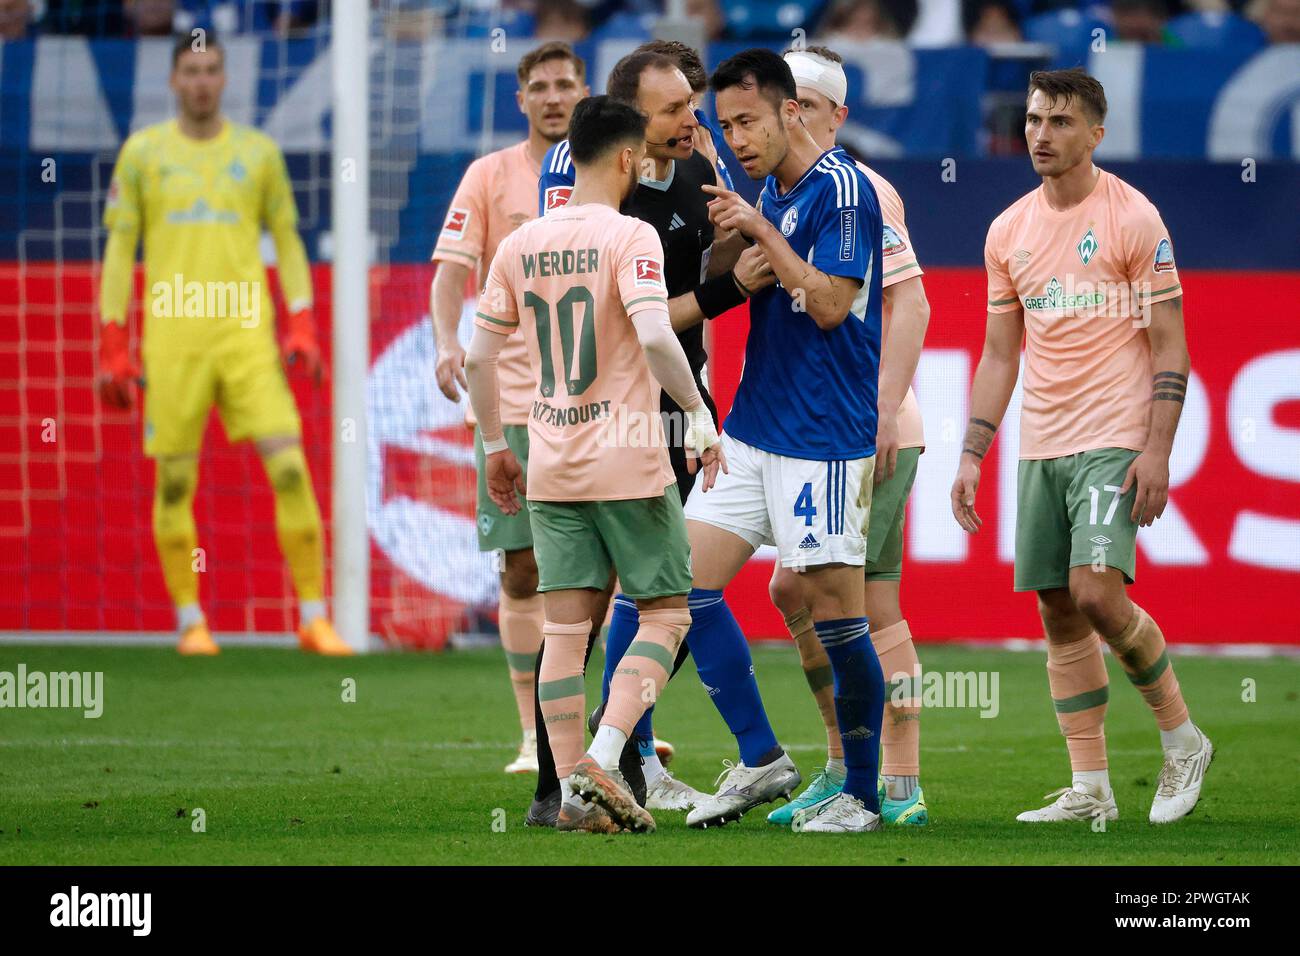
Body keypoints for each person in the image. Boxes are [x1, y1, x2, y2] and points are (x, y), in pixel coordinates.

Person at [952, 67, 1212, 825]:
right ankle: (1090, 786)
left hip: (1114, 435)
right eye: (1034, 120)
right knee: (1060, 610)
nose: (1041, 134)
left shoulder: (1135, 218)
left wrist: (1156, 450)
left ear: (1096, 133)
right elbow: (1001, 353)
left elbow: (1171, 347)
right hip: (1042, 442)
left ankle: (1183, 738)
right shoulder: (1007, 229)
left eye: (1060, 122)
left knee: (1099, 591)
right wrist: (973, 453)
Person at [465, 95, 724, 833]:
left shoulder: (521, 244)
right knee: (668, 611)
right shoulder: (632, 235)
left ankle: (569, 795)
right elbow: (652, 333)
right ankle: (599, 766)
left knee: (567, 628)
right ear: (624, 159)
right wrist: (699, 413)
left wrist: (492, 447)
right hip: (629, 455)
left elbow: (481, 354)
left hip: (550, 459)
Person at [530, 48, 777, 823]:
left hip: (671, 397)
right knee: (639, 597)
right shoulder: (589, 187)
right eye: (674, 108)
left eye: (693, 103)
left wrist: (741, 233)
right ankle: (574, 776)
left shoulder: (698, 163)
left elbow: (720, 245)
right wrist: (726, 291)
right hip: (618, 408)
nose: (694, 119)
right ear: (629, 124)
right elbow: (625, 326)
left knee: (654, 594)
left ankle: (626, 763)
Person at [683, 48, 886, 832]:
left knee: (840, 616)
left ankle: (861, 794)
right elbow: (742, 273)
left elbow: (831, 305)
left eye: (747, 121)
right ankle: (764, 755)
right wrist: (731, 216)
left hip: (820, 441)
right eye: (725, 124)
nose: (736, 136)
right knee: (682, 583)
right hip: (754, 430)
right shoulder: (770, 186)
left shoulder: (843, 190)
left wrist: (759, 225)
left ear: (790, 112)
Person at [97, 35, 349, 656]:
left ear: (224, 78)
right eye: (192, 71)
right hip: (173, 336)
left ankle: (314, 618)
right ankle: (191, 623)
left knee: (289, 467)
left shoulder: (258, 153)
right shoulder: (142, 154)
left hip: (245, 334)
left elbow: (287, 241)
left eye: (212, 70)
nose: (203, 81)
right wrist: (112, 340)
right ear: (174, 80)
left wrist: (301, 322)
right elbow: (118, 250)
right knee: (177, 484)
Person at [764, 46, 932, 828]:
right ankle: (845, 766)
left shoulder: (860, 189)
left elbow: (914, 304)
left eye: (804, 99)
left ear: (837, 114)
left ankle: (894, 780)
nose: (788, 111)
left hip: (866, 425)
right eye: (780, 98)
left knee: (861, 599)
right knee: (797, 590)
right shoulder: (784, 186)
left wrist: (883, 408)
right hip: (814, 428)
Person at [431, 40, 589, 776]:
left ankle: (612, 733)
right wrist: (443, 341)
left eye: (565, 85)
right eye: (541, 86)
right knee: (523, 570)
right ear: (521, 97)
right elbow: (452, 271)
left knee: (605, 574)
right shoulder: (489, 176)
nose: (554, 97)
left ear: (583, 92)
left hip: (597, 404)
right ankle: (536, 736)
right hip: (517, 403)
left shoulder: (607, 171)